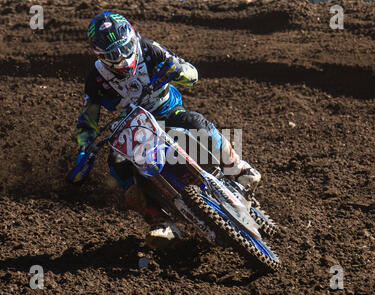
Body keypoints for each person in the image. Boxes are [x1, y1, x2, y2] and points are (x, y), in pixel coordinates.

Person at [67, 12, 261, 248]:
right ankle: (160, 221)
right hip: (134, 126)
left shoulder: (149, 49)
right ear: (98, 54)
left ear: (132, 38)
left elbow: (191, 73)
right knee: (118, 166)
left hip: (167, 110)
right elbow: (88, 118)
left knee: (196, 122)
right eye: (112, 54)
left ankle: (238, 168)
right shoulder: (96, 78)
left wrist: (177, 71)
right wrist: (85, 148)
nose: (121, 58)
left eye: (125, 48)